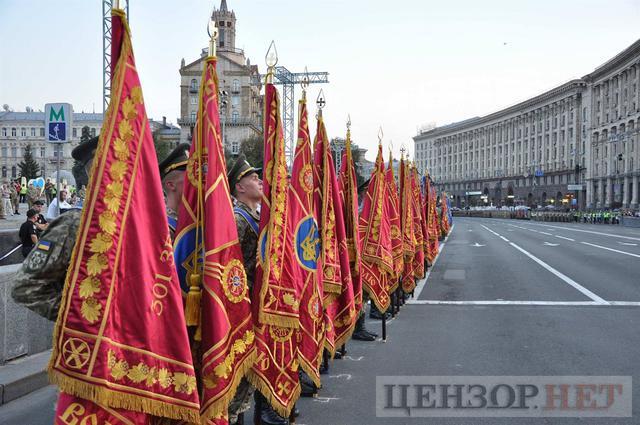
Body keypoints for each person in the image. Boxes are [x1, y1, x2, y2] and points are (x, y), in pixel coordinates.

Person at [11, 136, 98, 321]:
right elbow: (25, 287)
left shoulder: (146, 226)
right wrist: (82, 320)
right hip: (88, 345)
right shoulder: (74, 224)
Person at [158, 143, 190, 240]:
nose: (195, 182)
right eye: (189, 178)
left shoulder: (190, 221)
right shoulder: (163, 228)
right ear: (171, 185)